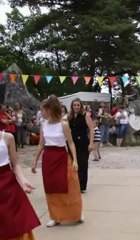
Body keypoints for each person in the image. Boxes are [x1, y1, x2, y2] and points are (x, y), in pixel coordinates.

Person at [31, 95, 83, 227]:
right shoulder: (44, 125)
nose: (41, 112)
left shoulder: (63, 124)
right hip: (49, 158)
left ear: (50, 110)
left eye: (42, 110)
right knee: (51, 188)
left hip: (62, 157)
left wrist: (75, 160)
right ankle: (54, 216)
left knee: (70, 186)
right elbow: (41, 144)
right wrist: (35, 161)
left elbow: (71, 143)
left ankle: (76, 213)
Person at [0, 131, 40, 240]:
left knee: (16, 225)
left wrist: (23, 180)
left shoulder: (7, 137)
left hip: (8, 187)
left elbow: (15, 164)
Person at [68, 98, 94, 193]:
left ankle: (81, 186)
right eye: (74, 105)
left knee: (82, 163)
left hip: (83, 142)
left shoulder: (85, 115)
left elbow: (91, 129)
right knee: (73, 163)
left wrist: (91, 143)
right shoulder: (69, 116)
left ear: (81, 106)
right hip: (72, 142)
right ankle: (74, 184)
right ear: (72, 106)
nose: (76, 107)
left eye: (78, 105)